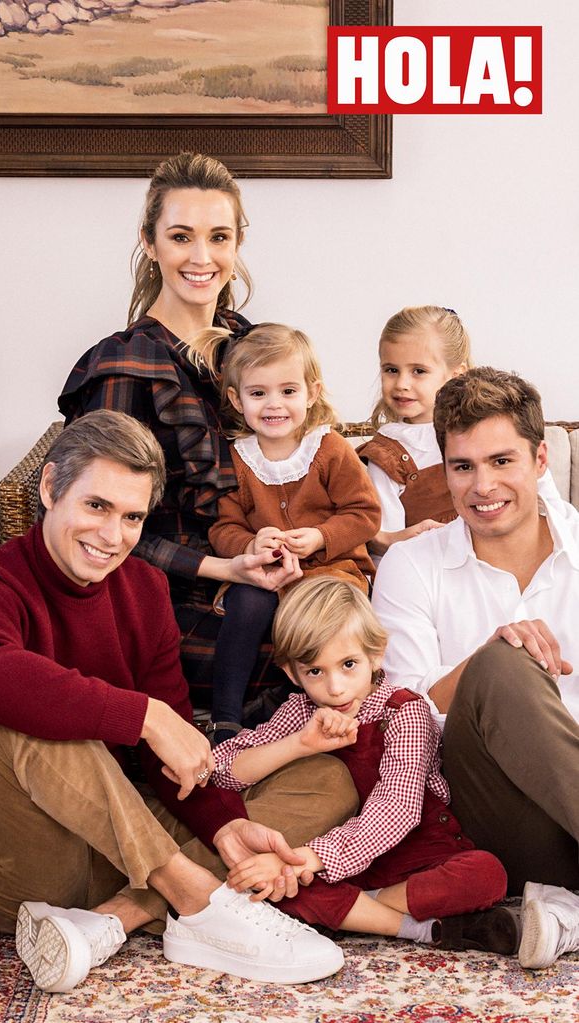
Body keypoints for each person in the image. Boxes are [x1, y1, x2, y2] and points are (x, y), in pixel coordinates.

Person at [0, 410, 358, 993]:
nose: (111, 536)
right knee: (25, 723)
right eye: (96, 506)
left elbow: (167, 757)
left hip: (115, 848)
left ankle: (116, 918)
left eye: (131, 517)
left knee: (326, 780)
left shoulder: (145, 590)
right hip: (17, 865)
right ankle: (197, 899)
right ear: (50, 488)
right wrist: (143, 716)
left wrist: (224, 828)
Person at [58, 152, 300, 711]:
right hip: (167, 596)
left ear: (238, 243)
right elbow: (94, 525)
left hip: (259, 565)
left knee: (364, 629)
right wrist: (224, 569)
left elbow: (304, 467)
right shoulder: (126, 367)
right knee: (313, 656)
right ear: (149, 241)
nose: (201, 257)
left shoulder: (257, 347)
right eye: (180, 236)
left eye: (218, 237)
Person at [371, 367, 579, 970]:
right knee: (501, 666)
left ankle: (560, 912)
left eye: (501, 461)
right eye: (463, 467)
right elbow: (397, 716)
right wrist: (487, 660)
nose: (482, 486)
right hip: (490, 816)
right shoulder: (412, 564)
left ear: (541, 459)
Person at [210, 577, 517, 954]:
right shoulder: (300, 713)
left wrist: (304, 859)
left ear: (376, 655)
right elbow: (220, 769)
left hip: (419, 856)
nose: (335, 688)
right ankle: (414, 927)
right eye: (315, 672)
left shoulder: (405, 711)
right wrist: (297, 744)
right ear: (292, 673)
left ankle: (360, 909)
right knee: (262, 884)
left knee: (488, 874)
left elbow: (397, 809)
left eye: (348, 664)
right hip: (335, 864)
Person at [199, 322, 380, 743]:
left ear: (311, 393)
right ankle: (225, 718)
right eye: (258, 393)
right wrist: (250, 543)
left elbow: (364, 512)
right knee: (247, 601)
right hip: (269, 575)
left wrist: (320, 536)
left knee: (326, 619)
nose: (273, 405)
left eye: (288, 391)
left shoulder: (329, 448)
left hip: (331, 571)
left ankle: (336, 700)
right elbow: (223, 525)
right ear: (236, 399)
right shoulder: (238, 460)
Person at [358, 306, 562, 558]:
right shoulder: (386, 454)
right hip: (436, 571)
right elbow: (384, 547)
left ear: (456, 374)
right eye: (391, 370)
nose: (401, 384)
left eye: (418, 371)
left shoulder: (499, 428)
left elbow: (554, 511)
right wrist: (405, 541)